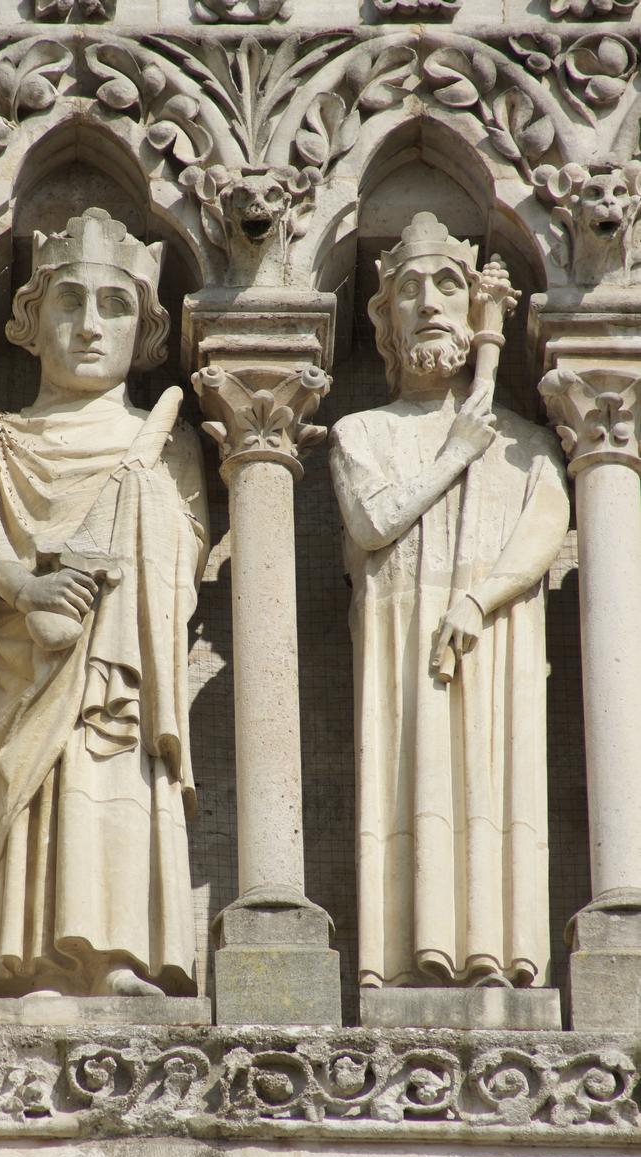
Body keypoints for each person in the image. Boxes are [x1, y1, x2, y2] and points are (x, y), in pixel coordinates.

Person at [0, 208, 208, 999]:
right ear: (29, 322)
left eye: (116, 305)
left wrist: (140, 523)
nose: (91, 326)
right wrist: (29, 588)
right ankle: (40, 960)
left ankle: (121, 953)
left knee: (121, 785)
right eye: (69, 302)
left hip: (123, 656)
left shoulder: (166, 441)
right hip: (33, 653)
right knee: (46, 792)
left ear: (146, 331)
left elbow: (190, 548)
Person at [329, 213, 569, 991]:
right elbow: (371, 523)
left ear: (475, 309)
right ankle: (403, 954)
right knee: (411, 783)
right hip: (402, 638)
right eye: (408, 289)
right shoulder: (361, 432)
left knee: (491, 786)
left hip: (491, 641)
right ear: (384, 320)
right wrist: (455, 453)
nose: (429, 303)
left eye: (448, 286)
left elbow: (544, 529)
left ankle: (497, 953)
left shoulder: (523, 441)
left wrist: (479, 598)